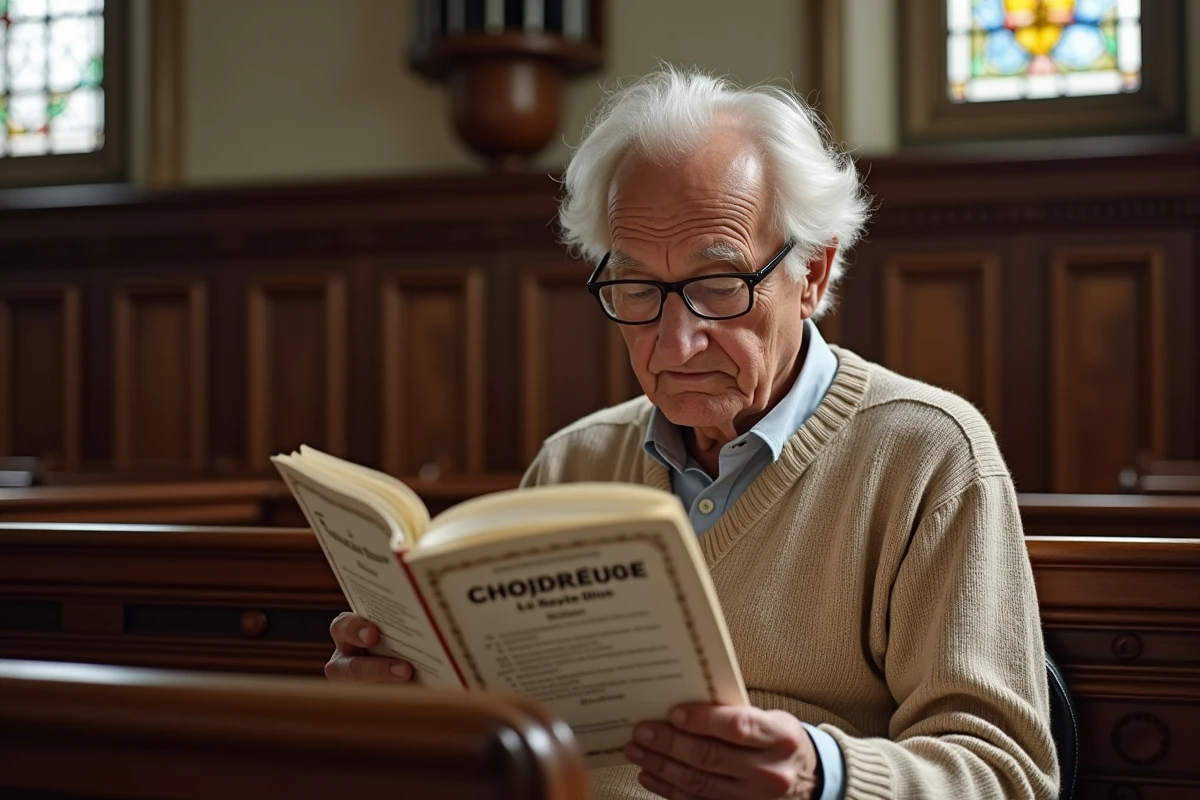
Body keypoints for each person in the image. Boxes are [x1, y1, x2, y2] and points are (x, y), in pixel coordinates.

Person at [325, 67, 1058, 800]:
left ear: (812, 272)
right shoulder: (574, 464)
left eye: (718, 286)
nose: (675, 346)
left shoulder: (926, 454)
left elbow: (1007, 775)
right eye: (638, 289)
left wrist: (820, 775)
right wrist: (407, 704)